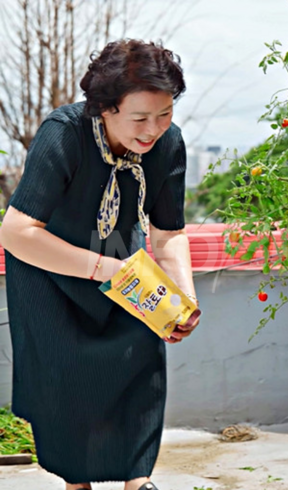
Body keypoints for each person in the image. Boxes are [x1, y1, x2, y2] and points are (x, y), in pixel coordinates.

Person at [0, 39, 200, 490]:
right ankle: (77, 484)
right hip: (50, 271)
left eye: (164, 113)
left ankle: (138, 482)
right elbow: (15, 232)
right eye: (140, 118)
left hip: (124, 271)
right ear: (106, 109)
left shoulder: (168, 144)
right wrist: (104, 270)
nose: (154, 130)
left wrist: (182, 295)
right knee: (66, 385)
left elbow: (168, 234)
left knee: (139, 363)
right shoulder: (64, 133)